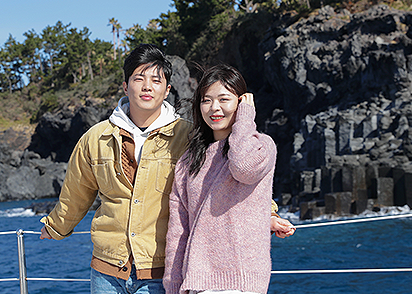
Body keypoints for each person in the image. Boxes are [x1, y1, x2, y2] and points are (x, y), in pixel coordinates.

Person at [40, 45, 293, 294]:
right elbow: (76, 192)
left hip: (158, 271)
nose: (147, 87)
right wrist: (56, 227)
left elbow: (229, 176)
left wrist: (268, 214)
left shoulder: (189, 137)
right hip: (107, 270)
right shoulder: (96, 138)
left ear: (167, 89)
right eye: (139, 79)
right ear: (126, 86)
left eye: (156, 80)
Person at [163, 64, 293, 294]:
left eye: (224, 99)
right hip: (198, 284)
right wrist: (173, 287)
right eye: (206, 100)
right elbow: (178, 230)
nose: (214, 108)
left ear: (241, 103)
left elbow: (243, 168)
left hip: (242, 283)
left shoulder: (261, 146)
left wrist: (245, 119)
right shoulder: (188, 161)